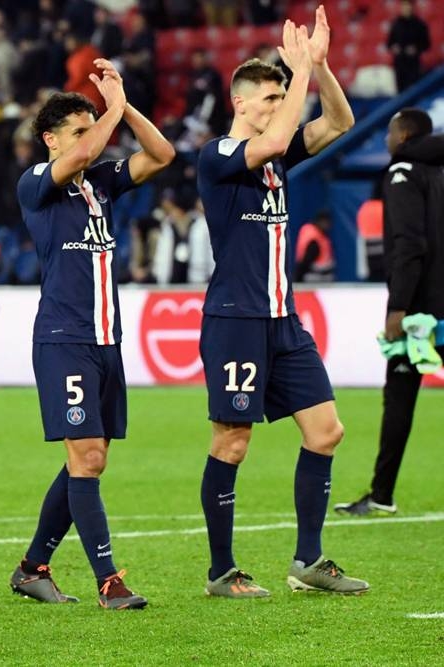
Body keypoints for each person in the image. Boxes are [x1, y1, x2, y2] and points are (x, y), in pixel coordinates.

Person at [195, 8, 368, 598]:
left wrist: (317, 69)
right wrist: (295, 76)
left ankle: (309, 560)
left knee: (326, 432)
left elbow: (341, 120)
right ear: (240, 102)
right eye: (268, 96)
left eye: (280, 94)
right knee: (232, 442)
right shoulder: (217, 156)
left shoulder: (277, 161)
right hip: (235, 322)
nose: (278, 103)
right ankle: (222, 571)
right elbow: (273, 138)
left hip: (283, 322)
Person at [10, 59, 175, 610]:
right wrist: (107, 111)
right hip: (64, 339)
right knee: (86, 458)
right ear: (51, 140)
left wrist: (123, 107)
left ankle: (33, 567)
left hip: (108, 340)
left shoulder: (99, 184)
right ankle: (109, 582)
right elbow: (83, 153)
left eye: (94, 128)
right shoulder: (37, 183)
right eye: (78, 131)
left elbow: (162, 155)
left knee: (90, 457)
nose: (93, 142)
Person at [335, 109, 444, 516]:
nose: (384, 138)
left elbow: (408, 244)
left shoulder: (402, 172)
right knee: (397, 396)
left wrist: (398, 306)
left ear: (404, 134)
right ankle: (381, 494)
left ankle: (382, 494)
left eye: (389, 131)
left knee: (398, 400)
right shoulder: (438, 172)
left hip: (421, 314)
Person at [386, 0, 430, 92]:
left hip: (413, 64)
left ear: (412, 7)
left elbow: (426, 44)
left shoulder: (419, 24)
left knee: (414, 90)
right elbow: (389, 43)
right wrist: (394, 47)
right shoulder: (395, 24)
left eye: (408, 5)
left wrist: (416, 48)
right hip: (399, 64)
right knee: (401, 92)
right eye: (404, 6)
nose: (406, 8)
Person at [293, 210, 334, 282]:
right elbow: (306, 261)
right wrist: (297, 279)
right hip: (313, 280)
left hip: (316, 278)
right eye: (326, 222)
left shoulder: (317, 234)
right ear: (319, 221)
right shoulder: (314, 240)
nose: (328, 225)